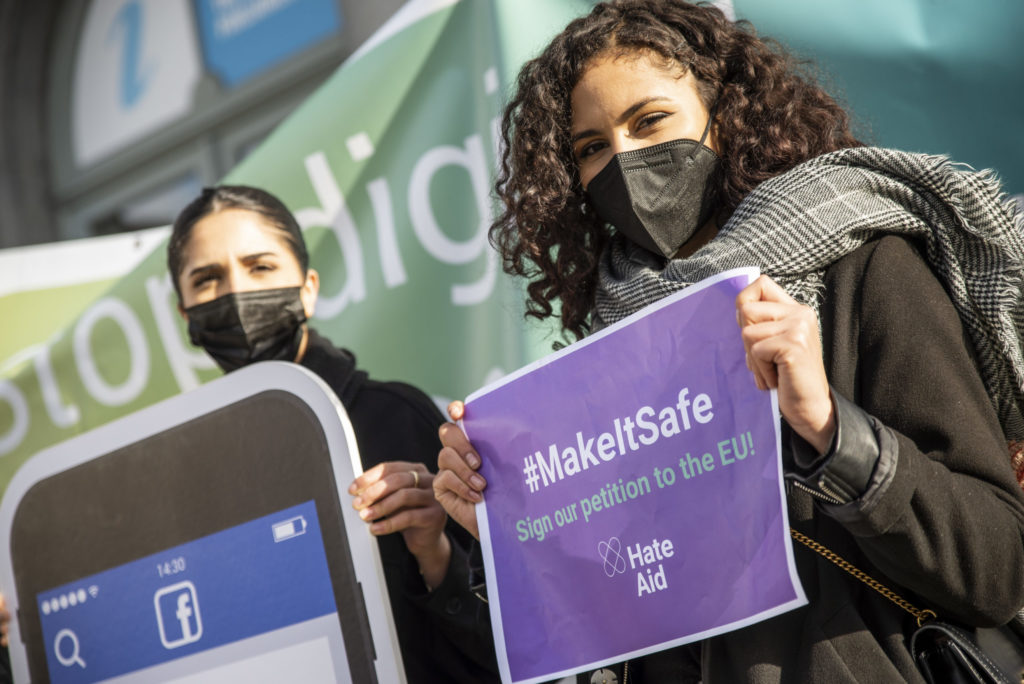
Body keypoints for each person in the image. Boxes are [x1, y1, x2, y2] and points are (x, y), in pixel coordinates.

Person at [433, 1, 1024, 682]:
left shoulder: (867, 268)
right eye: (591, 147)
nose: (624, 157)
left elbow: (998, 568)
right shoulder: (606, 364)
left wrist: (832, 431)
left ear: (728, 116)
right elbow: (648, 643)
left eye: (649, 119)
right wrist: (521, 540)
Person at [168, 185, 498, 683]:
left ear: (308, 288)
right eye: (208, 278)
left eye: (260, 266)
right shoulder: (187, 467)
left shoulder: (395, 416)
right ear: (186, 314)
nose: (237, 293)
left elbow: (505, 642)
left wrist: (436, 551)